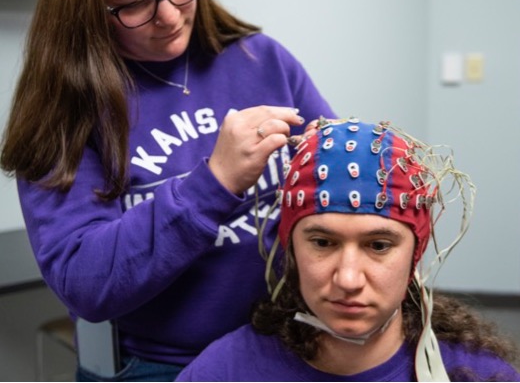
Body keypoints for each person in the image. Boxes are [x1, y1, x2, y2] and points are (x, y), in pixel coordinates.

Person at [0, 0, 336, 381]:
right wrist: (214, 183)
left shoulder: (261, 60)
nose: (171, 15)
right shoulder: (66, 108)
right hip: (157, 365)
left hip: (283, 342)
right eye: (136, 3)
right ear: (88, 9)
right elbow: (85, 284)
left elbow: (333, 179)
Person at [176, 118, 520, 382]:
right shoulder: (226, 370)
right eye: (323, 243)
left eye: (379, 245)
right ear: (290, 248)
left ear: (415, 252)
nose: (349, 279)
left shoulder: (480, 374)